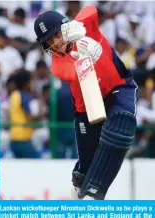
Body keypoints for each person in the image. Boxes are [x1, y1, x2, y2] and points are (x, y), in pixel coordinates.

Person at [34, 6, 138, 200]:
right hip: (86, 107)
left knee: (120, 124)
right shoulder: (57, 63)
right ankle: (80, 193)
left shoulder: (84, 26)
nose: (56, 43)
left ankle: (94, 193)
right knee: (84, 170)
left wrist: (80, 29)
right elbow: (73, 72)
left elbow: (91, 9)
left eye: (57, 34)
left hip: (119, 88)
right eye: (49, 41)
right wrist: (90, 55)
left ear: (65, 27)